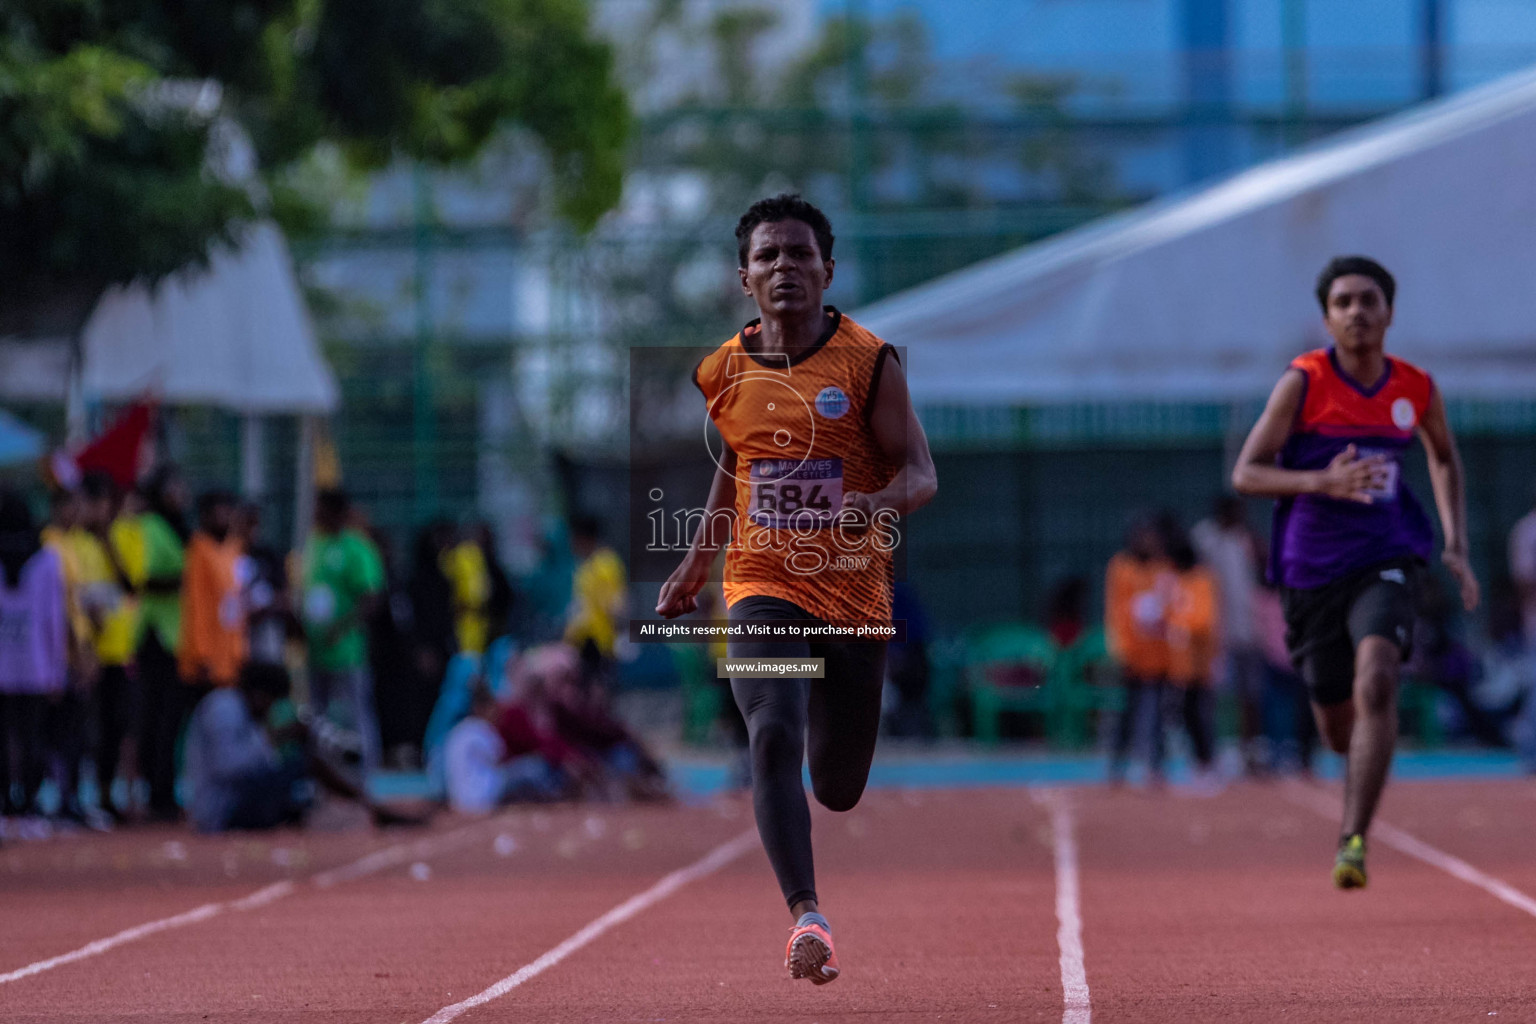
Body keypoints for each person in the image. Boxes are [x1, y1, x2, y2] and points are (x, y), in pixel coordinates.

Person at [657, 193, 938, 985]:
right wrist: (695, 561)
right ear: (744, 277)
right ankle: (805, 917)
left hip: (851, 593)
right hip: (762, 586)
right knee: (771, 733)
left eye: (800, 255)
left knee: (839, 787)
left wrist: (874, 505)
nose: (785, 267)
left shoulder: (868, 361)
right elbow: (735, 465)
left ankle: (821, 702)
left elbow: (922, 472)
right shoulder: (722, 370)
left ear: (828, 270)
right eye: (769, 256)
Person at [1233, 255, 1479, 890]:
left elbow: (1445, 459)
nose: (1357, 312)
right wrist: (1324, 480)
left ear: (1389, 312)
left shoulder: (1415, 387)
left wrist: (1455, 544)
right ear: (1327, 317)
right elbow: (1247, 473)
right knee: (1338, 729)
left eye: (1369, 300)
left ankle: (1352, 840)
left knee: (1378, 681)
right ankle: (1354, 760)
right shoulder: (1305, 382)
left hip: (1387, 557)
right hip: (1310, 571)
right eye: (1343, 302)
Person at [183, 660, 423, 832]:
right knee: (304, 764)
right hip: (219, 810)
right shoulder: (223, 709)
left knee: (301, 780)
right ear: (259, 695)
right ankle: (370, 806)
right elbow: (227, 767)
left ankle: (364, 805)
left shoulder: (240, 709)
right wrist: (275, 738)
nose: (271, 713)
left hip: (230, 801)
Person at [300, 488, 385, 774]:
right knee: (317, 717)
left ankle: (364, 773)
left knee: (355, 714)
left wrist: (341, 628)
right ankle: (323, 775)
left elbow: (370, 599)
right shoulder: (312, 545)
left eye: (319, 508)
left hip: (347, 651)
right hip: (315, 648)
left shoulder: (356, 548)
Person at [0, 489, 68, 819]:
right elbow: (54, 618)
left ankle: (5, 801)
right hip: (36, 663)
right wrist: (58, 668)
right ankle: (29, 800)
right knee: (33, 737)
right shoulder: (46, 558)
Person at [75, 472, 139, 822]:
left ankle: (105, 794)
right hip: (81, 653)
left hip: (118, 651)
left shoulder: (127, 536)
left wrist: (106, 541)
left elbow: (131, 586)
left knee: (116, 727)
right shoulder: (69, 542)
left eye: (102, 503)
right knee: (84, 728)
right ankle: (77, 797)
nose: (96, 511)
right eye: (90, 503)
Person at [1191, 495, 1268, 775]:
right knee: (1215, 697)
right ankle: (1216, 752)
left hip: (1247, 631)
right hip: (1215, 634)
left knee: (1251, 697)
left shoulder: (1245, 539)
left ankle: (1251, 753)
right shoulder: (1204, 538)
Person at [134, 467, 191, 821]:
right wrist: (188, 580)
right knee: (158, 720)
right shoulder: (152, 527)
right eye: (174, 485)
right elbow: (146, 579)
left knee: (170, 721)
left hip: (177, 638)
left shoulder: (182, 526)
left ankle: (165, 790)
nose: (180, 491)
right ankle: (158, 794)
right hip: (156, 636)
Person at [1104, 514, 1173, 786]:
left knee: (1156, 716)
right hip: (1130, 654)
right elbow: (1115, 610)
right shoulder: (1121, 567)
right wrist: (1121, 648)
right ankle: (1116, 765)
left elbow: (1170, 605)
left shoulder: (1164, 567)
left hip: (1158, 655)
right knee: (1123, 713)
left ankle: (1154, 766)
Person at [1164, 524, 1220, 788]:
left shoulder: (1201, 579)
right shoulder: (1176, 580)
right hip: (1179, 664)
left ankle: (1206, 763)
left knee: (1200, 714)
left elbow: (1204, 619)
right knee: (1185, 714)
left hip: (1200, 662)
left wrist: (1181, 624)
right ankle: (1196, 761)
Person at [178, 490, 246, 693]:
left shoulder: (234, 548)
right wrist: (201, 653)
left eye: (228, 511)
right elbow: (196, 605)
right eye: (219, 512)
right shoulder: (199, 549)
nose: (225, 517)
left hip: (230, 651)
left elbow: (237, 601)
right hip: (206, 658)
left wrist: (239, 650)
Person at [564, 515, 626, 696]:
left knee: (601, 693)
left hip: (601, 640)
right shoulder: (585, 566)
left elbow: (615, 605)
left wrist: (617, 639)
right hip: (585, 640)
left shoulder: (605, 564)